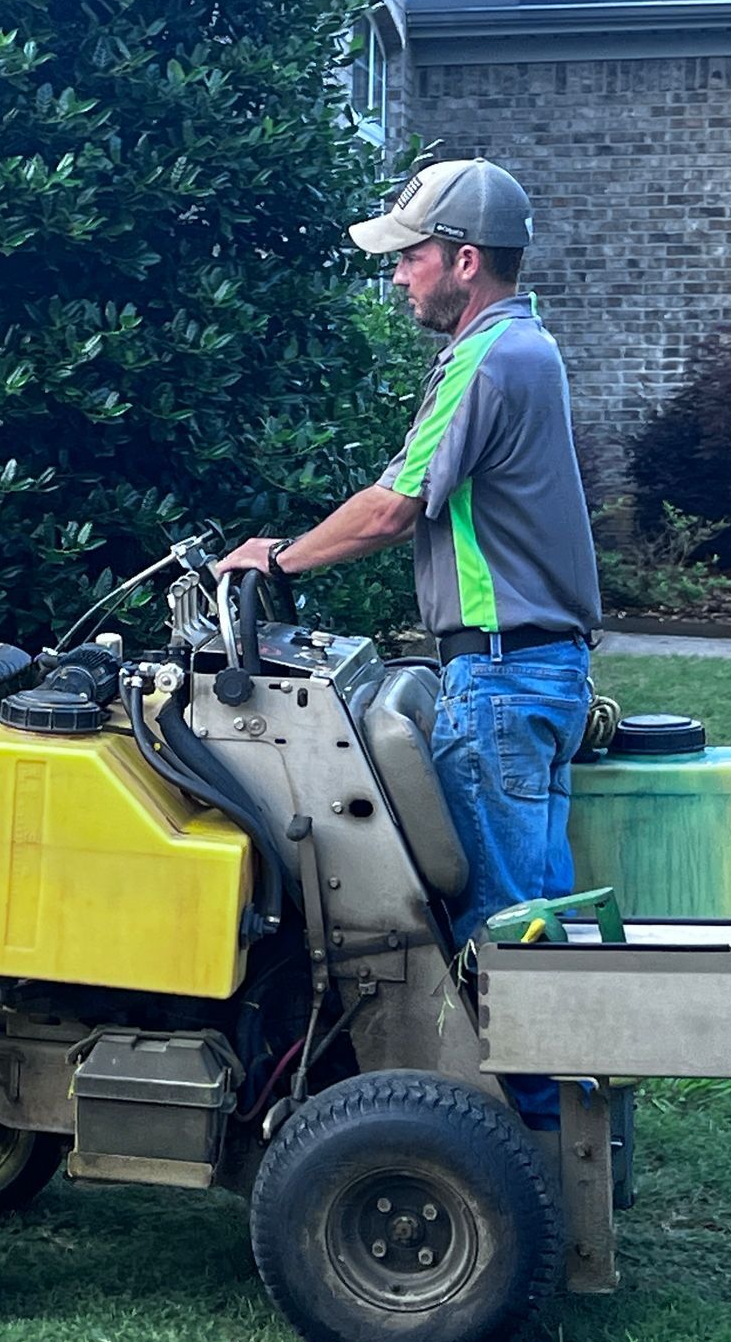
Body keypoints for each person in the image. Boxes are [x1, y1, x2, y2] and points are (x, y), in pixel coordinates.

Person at [216, 157, 602, 952]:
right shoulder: (526, 345)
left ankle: (505, 1044)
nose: (397, 277)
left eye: (410, 256)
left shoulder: (486, 359)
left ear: (466, 260)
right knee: (536, 924)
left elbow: (392, 508)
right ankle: (554, 1042)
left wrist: (276, 558)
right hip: (539, 671)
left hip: (501, 677)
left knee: (499, 938)